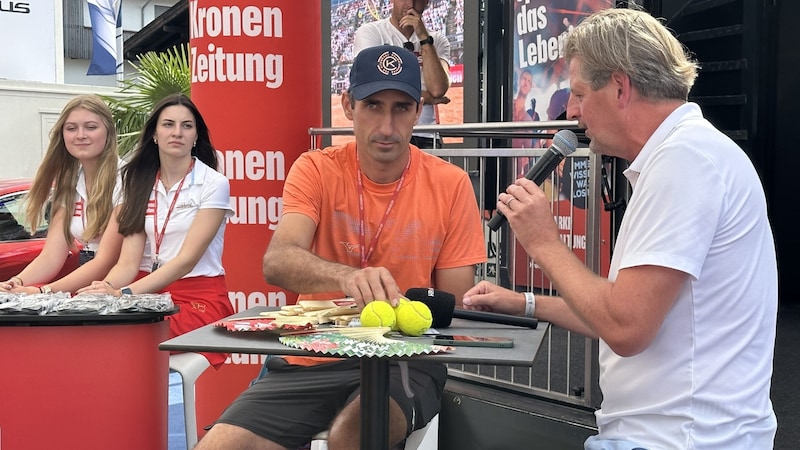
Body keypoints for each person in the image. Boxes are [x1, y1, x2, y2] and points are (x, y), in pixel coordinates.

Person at [463, 8, 777, 450]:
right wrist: (523, 303)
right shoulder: (684, 156)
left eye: (577, 94)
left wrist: (542, 242)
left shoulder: (685, 163)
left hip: (679, 440)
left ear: (619, 87)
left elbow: (626, 327)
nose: (572, 113)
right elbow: (619, 310)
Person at [196, 45, 485, 449]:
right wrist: (347, 278)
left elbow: (452, 301)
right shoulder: (315, 167)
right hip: (310, 356)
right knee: (219, 445)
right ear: (348, 106)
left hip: (405, 359)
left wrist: (397, 311)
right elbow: (278, 261)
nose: (387, 126)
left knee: (352, 436)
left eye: (401, 108)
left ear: (418, 110)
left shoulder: (450, 183)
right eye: (373, 106)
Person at [77, 93, 234, 366]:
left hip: (196, 297)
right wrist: (105, 289)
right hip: (145, 293)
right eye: (168, 124)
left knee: (126, 338)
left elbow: (186, 261)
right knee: (90, 325)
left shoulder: (213, 183)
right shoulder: (137, 181)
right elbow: (128, 262)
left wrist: (123, 295)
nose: (177, 132)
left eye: (187, 125)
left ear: (196, 136)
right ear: (154, 134)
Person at [0, 94, 127, 295]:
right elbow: (52, 255)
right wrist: (15, 282)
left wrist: (42, 292)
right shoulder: (69, 182)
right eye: (71, 128)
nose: (80, 135)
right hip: (88, 286)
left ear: (109, 132)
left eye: (91, 127)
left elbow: (106, 260)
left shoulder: (127, 179)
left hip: (123, 286)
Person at [354, 0, 451, 149]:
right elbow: (377, 89)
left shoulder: (437, 40)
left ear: (427, 2)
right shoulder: (371, 32)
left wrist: (424, 39)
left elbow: (438, 89)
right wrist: (429, 98)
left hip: (426, 134)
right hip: (384, 131)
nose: (410, 4)